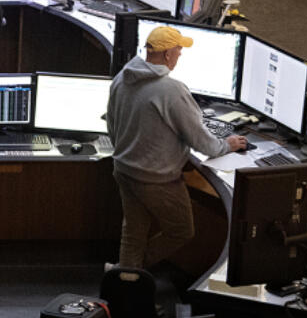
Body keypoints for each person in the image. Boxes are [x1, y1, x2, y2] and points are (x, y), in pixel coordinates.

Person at [106, 25, 248, 269]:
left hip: (124, 169)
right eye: (179, 50)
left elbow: (111, 124)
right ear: (168, 55)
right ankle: (134, 271)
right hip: (156, 180)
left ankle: (125, 280)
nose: (180, 55)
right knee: (181, 230)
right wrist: (227, 144)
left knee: (134, 232)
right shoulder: (171, 90)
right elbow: (202, 142)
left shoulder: (122, 77)